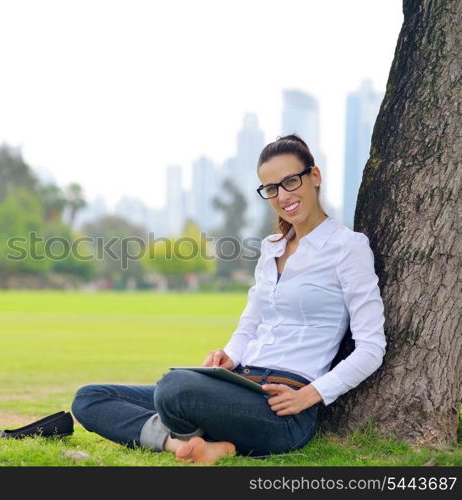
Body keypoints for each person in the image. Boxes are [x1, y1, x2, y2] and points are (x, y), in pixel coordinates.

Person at [70, 134, 387, 464]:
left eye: (291, 181)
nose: (283, 196)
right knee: (90, 398)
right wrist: (229, 355)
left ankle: (197, 434)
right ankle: (185, 446)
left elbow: (371, 346)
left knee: (173, 388)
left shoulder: (347, 248)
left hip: (284, 409)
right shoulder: (272, 247)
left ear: (314, 176)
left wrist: (310, 395)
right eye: (271, 188)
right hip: (237, 385)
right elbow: (251, 323)